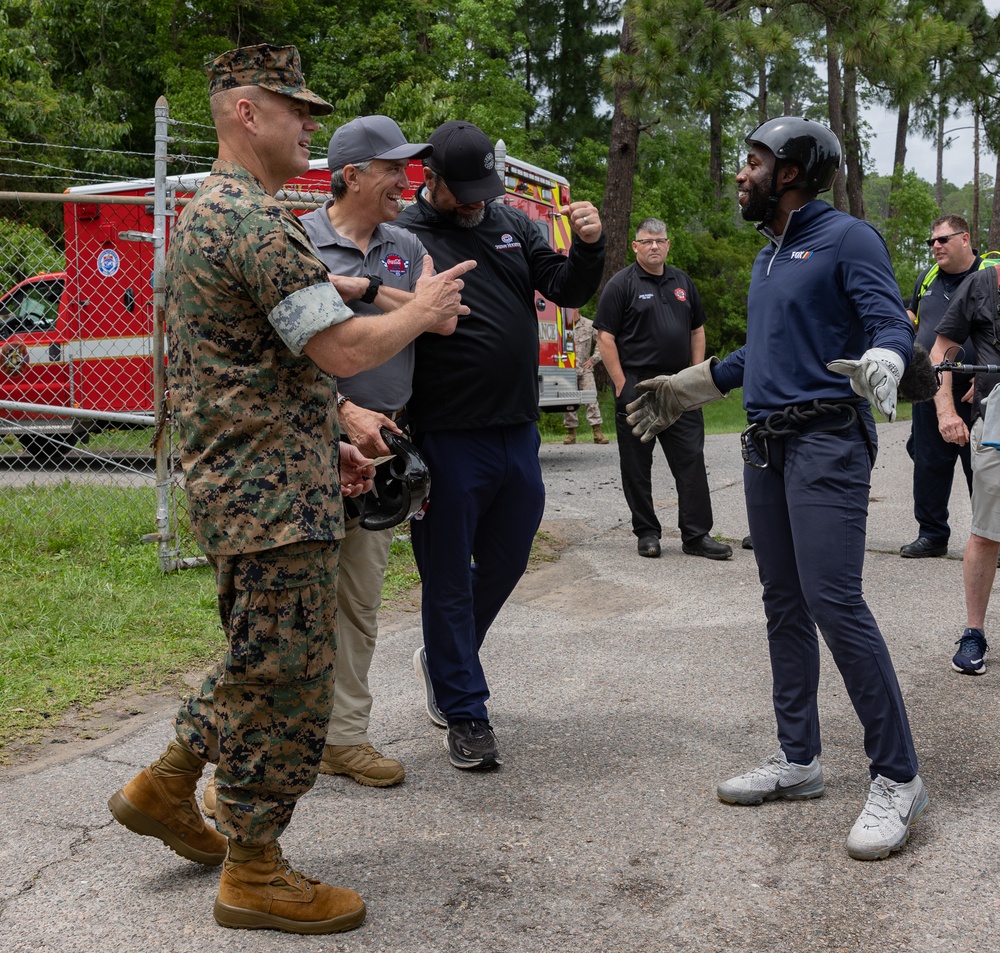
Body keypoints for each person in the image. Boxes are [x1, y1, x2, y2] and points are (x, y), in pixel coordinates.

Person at [106, 44, 473, 935]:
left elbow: (262, 368)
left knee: (260, 652)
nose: (311, 124)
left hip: (260, 481)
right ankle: (255, 866)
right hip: (270, 500)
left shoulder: (221, 215)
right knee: (290, 677)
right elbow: (341, 349)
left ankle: (163, 785)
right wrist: (419, 314)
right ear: (246, 113)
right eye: (295, 109)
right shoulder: (251, 221)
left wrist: (330, 428)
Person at [627, 116, 926, 861]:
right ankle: (800, 759)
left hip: (826, 440)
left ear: (792, 171)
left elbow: (889, 322)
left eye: (753, 161)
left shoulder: (847, 239)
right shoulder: (771, 256)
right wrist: (685, 386)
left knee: (834, 599)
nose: (741, 173)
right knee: (783, 603)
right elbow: (758, 352)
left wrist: (888, 356)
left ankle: (898, 774)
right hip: (767, 448)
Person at [395, 120, 605, 770]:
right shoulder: (405, 236)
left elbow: (565, 287)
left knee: (511, 555)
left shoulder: (511, 223)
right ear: (430, 177)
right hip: (445, 434)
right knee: (449, 577)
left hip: (517, 428)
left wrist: (591, 248)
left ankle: (442, 656)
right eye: (467, 190)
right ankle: (466, 712)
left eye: (487, 187)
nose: (479, 200)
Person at [595, 217, 732, 561]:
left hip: (678, 387)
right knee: (636, 466)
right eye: (647, 241)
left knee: (691, 460)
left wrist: (694, 374)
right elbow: (605, 337)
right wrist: (621, 384)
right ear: (636, 246)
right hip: (637, 386)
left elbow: (697, 329)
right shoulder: (621, 284)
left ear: (669, 244)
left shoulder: (682, 281)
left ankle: (696, 535)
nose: (654, 246)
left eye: (660, 240)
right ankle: (647, 533)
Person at [930, 262, 1000, 675]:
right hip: (995, 418)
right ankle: (974, 632)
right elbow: (943, 349)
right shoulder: (982, 283)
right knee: (988, 530)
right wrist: (945, 407)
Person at [900, 215, 981, 559]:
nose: (935, 246)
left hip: (977, 389)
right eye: (932, 241)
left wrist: (991, 377)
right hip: (930, 384)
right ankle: (932, 534)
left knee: (981, 465)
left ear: (965, 239)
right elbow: (912, 317)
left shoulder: (990, 274)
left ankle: (990, 539)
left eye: (943, 240)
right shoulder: (927, 277)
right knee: (929, 462)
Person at [563, 314, 608, 444]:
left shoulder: (589, 324)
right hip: (567, 369)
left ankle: (597, 432)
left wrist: (594, 359)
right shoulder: (563, 325)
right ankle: (571, 433)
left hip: (585, 369)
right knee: (568, 401)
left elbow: (602, 340)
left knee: (591, 399)